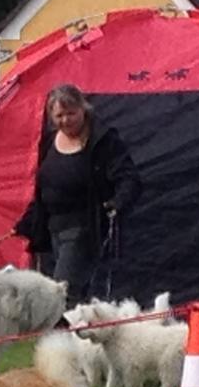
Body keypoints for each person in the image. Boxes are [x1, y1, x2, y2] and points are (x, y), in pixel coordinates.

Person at [14, 84, 140, 306]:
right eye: (59, 115)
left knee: (61, 293)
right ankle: (79, 336)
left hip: (83, 229)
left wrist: (116, 203)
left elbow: (129, 178)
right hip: (51, 229)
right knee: (69, 293)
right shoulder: (48, 141)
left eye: (71, 113)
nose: (65, 120)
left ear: (83, 109)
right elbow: (42, 188)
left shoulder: (103, 139)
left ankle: (60, 337)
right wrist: (26, 222)